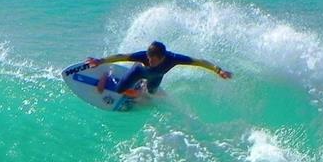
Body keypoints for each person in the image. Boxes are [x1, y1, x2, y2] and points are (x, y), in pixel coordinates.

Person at [86, 41, 232, 96]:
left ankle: (141, 87)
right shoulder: (143, 56)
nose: (150, 61)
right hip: (138, 72)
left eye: (153, 59)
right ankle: (107, 75)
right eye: (149, 58)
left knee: (151, 93)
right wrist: (100, 61)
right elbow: (121, 56)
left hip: (156, 77)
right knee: (119, 91)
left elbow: (199, 62)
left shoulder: (173, 59)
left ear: (162, 57)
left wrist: (218, 70)